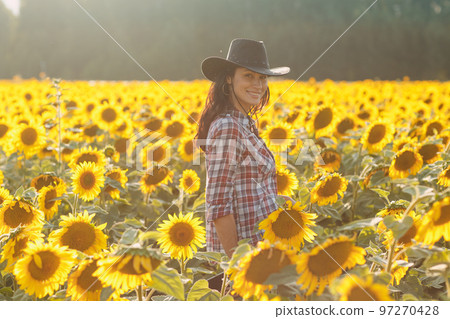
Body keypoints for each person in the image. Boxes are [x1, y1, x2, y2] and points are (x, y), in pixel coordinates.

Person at [195, 38, 292, 258]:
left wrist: (277, 202)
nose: (257, 84)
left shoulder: (243, 123)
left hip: (260, 251)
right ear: (229, 78)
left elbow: (247, 190)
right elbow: (218, 206)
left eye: (262, 77)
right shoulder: (229, 127)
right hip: (243, 260)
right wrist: (236, 268)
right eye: (248, 76)